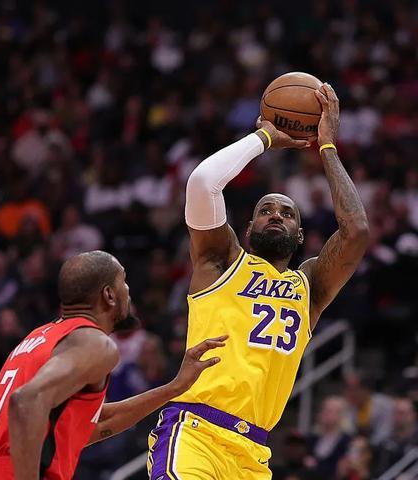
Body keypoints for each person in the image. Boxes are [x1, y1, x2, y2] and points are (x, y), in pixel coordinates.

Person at [147, 83, 369, 479]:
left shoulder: (310, 286)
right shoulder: (221, 261)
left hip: (253, 454)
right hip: (196, 434)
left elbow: (356, 232)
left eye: (287, 213)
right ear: (248, 229)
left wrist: (327, 147)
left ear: (300, 236)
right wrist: (263, 137)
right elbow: (202, 183)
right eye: (266, 210)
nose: (276, 215)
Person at [0, 250, 227, 479]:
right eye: (123, 282)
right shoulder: (95, 343)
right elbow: (26, 400)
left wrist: (175, 387)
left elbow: (91, 424)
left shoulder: (40, 336)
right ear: (109, 295)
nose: (128, 291)